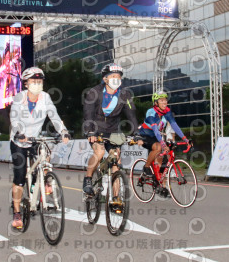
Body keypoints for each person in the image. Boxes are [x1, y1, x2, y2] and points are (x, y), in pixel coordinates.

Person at [9, 67, 70, 229]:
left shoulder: (45, 97)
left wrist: (63, 131)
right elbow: (14, 118)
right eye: (33, 81)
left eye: (40, 81)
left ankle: (43, 181)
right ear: (26, 83)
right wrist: (19, 133)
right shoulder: (19, 98)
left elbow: (54, 116)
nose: (37, 84)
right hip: (19, 141)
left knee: (46, 155)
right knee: (20, 177)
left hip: (35, 139)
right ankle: (17, 213)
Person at [82, 63, 141, 196]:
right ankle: (88, 178)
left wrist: (136, 133)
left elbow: (131, 115)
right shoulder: (94, 92)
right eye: (113, 76)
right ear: (105, 79)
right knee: (100, 152)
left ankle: (115, 199)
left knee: (116, 160)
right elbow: (88, 113)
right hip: (95, 128)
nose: (116, 79)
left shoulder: (124, 94)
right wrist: (90, 131)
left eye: (119, 77)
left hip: (113, 130)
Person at [138, 91, 191, 194]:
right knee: (158, 147)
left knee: (161, 157)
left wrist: (185, 139)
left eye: (165, 100)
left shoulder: (166, 112)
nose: (165, 102)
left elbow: (175, 126)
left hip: (156, 136)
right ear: (156, 103)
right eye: (161, 100)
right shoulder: (151, 112)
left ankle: (159, 183)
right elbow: (155, 130)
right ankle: (146, 168)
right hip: (145, 135)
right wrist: (162, 143)